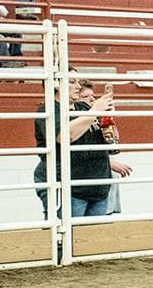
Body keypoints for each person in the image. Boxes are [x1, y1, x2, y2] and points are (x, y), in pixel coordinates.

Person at [32, 72, 130, 218]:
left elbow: (109, 141)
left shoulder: (83, 108)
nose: (78, 86)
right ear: (56, 85)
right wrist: (95, 110)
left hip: (97, 186)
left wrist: (107, 121)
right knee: (67, 235)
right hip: (70, 187)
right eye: (72, 82)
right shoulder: (49, 110)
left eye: (77, 82)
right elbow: (66, 136)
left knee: (92, 237)